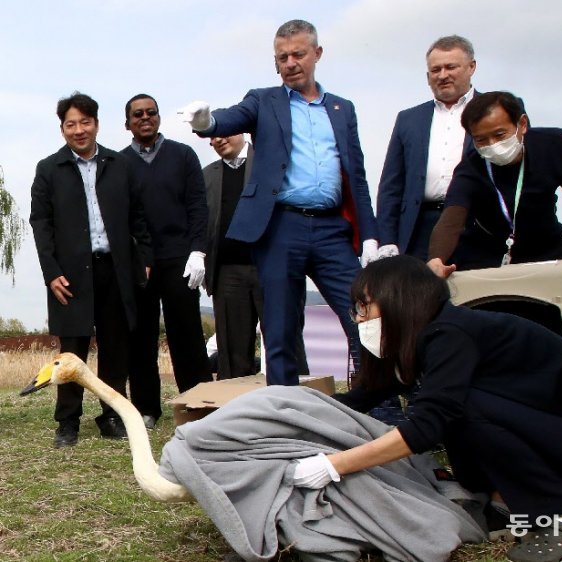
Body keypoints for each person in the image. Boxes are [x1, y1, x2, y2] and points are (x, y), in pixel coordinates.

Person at [292, 255, 562, 562]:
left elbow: (428, 425)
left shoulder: (451, 334)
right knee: (459, 407)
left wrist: (333, 465)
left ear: (398, 298)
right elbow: (359, 400)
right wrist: (291, 418)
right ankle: (503, 506)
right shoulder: (425, 344)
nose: (359, 317)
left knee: (460, 408)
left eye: (364, 305)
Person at [179, 19, 378, 386]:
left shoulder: (342, 110)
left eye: (298, 54)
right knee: (281, 327)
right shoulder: (263, 100)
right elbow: (229, 118)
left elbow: (357, 176)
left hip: (333, 229)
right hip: (281, 227)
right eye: (282, 57)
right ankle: (286, 414)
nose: (290, 63)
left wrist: (370, 235)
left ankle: (379, 408)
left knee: (364, 316)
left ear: (317, 54)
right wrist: (207, 121)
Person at [30, 92, 152, 447]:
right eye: (71, 124)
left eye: (85, 122)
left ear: (96, 124)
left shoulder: (119, 165)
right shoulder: (49, 169)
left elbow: (138, 216)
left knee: (116, 348)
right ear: (62, 128)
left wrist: (143, 257)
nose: (79, 130)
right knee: (71, 352)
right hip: (71, 275)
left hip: (116, 270)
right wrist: (51, 272)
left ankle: (111, 416)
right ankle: (67, 422)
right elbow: (41, 224)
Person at [428, 91, 562, 277]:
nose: (492, 145)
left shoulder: (554, 144)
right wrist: (436, 259)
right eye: (481, 139)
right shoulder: (470, 167)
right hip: (487, 254)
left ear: (522, 124)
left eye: (500, 135)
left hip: (548, 246)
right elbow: (452, 219)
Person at [121, 93, 212, 429]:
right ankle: (147, 408)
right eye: (137, 114)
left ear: (158, 117)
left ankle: (197, 404)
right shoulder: (119, 164)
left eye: (151, 112)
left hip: (180, 258)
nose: (145, 118)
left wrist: (198, 250)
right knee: (140, 337)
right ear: (127, 122)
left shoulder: (183, 156)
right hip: (139, 263)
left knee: (186, 334)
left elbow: (198, 207)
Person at [203, 134, 309, 379]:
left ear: (241, 132)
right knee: (233, 348)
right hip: (227, 271)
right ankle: (238, 410)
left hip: (270, 267)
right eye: (213, 137)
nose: (219, 140)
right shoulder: (207, 175)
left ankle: (299, 406)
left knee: (285, 338)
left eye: (225, 133)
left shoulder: (270, 165)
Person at [375, 35, 478, 261]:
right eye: (435, 70)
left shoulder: (495, 110)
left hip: (478, 227)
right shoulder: (409, 119)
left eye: (451, 67)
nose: (443, 75)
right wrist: (387, 240)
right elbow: (391, 186)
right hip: (419, 229)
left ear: (471, 67)